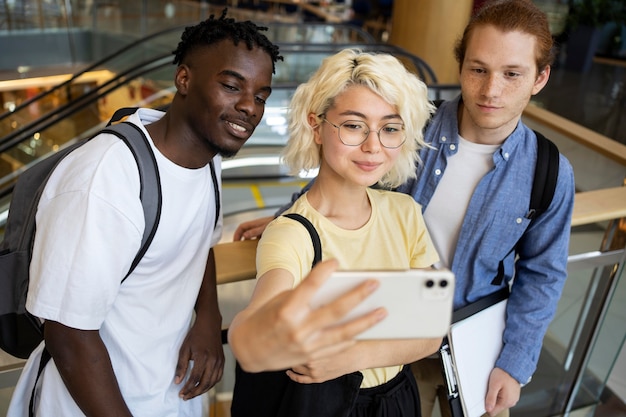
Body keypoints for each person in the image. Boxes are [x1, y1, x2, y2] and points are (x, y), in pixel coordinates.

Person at [233, 1, 576, 416]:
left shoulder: (548, 171)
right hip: (385, 339)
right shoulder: (413, 126)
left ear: (540, 78)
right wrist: (288, 222)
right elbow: (352, 172)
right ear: (461, 66)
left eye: (512, 74)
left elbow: (542, 273)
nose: (491, 90)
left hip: (472, 349)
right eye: (478, 69)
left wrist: (514, 364)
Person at [7, 11, 282, 417]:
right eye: (230, 86)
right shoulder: (105, 178)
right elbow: (68, 336)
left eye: (260, 96)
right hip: (90, 402)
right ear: (184, 79)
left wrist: (208, 317)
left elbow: (198, 239)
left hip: (168, 389)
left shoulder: (207, 156)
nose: (249, 107)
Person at [228, 48, 441, 417]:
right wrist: (252, 338)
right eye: (354, 125)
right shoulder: (290, 233)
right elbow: (252, 329)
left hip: (398, 399)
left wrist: (350, 357)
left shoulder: (405, 213)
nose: (373, 146)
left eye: (389, 128)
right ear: (317, 126)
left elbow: (430, 334)